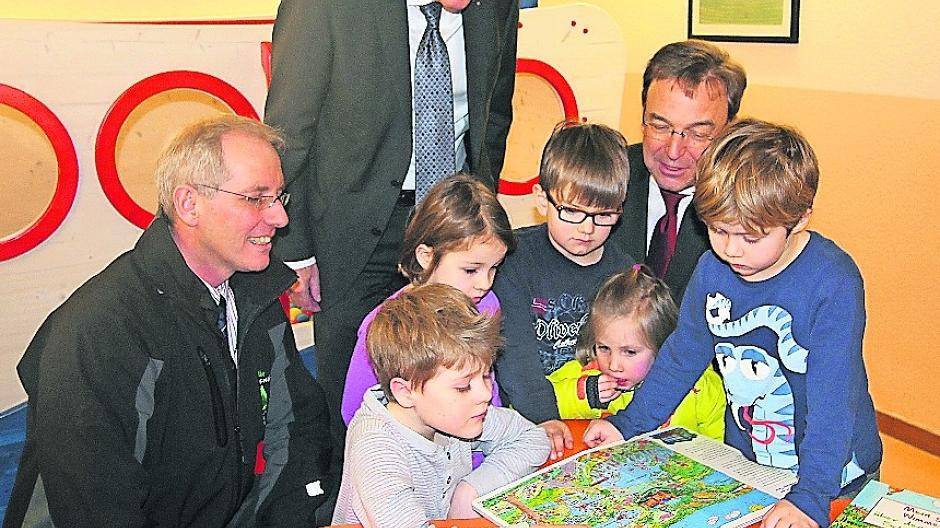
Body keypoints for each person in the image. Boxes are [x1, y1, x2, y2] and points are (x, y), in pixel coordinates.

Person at [4, 116, 337, 527]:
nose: (280, 219)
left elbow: (298, 428)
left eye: (279, 198)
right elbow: (97, 505)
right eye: (256, 198)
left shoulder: (256, 296)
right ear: (188, 204)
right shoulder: (100, 330)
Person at [584, 119, 882, 528]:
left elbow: (834, 398)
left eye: (750, 238)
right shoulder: (712, 268)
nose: (730, 249)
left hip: (832, 480)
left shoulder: (833, 282)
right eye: (717, 231)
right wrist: (629, 424)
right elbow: (681, 356)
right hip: (752, 462)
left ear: (799, 219)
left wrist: (812, 494)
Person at [263, 0, 520, 463]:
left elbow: (494, 115)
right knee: (349, 394)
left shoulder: (493, 8)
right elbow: (288, 131)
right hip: (349, 233)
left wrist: (475, 222)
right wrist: (295, 250)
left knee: (453, 379)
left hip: (449, 232)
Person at [332, 283, 550, 526]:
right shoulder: (376, 446)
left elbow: (533, 438)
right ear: (405, 392)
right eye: (463, 386)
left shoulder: (457, 414)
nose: (485, 394)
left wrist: (470, 491)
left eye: (486, 375)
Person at [493, 122, 636, 428]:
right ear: (542, 199)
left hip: (600, 418)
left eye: (604, 216)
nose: (587, 228)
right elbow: (515, 357)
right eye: (571, 211)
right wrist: (544, 417)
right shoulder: (512, 261)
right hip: (529, 415)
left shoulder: (627, 275)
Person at [340, 173, 514, 424]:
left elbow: (489, 392)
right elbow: (355, 412)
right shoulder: (383, 327)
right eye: (470, 270)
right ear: (426, 256)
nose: (485, 283)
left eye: (494, 268)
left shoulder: (487, 304)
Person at [608, 39, 747, 302]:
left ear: (728, 130)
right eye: (660, 126)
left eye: (698, 133)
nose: (673, 151)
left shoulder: (746, 203)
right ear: (643, 118)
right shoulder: (606, 174)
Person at [548, 264, 725, 440]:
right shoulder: (591, 372)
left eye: (630, 352)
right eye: (604, 348)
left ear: (662, 346)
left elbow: (722, 450)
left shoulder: (702, 389)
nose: (613, 365)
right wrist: (585, 394)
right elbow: (537, 403)